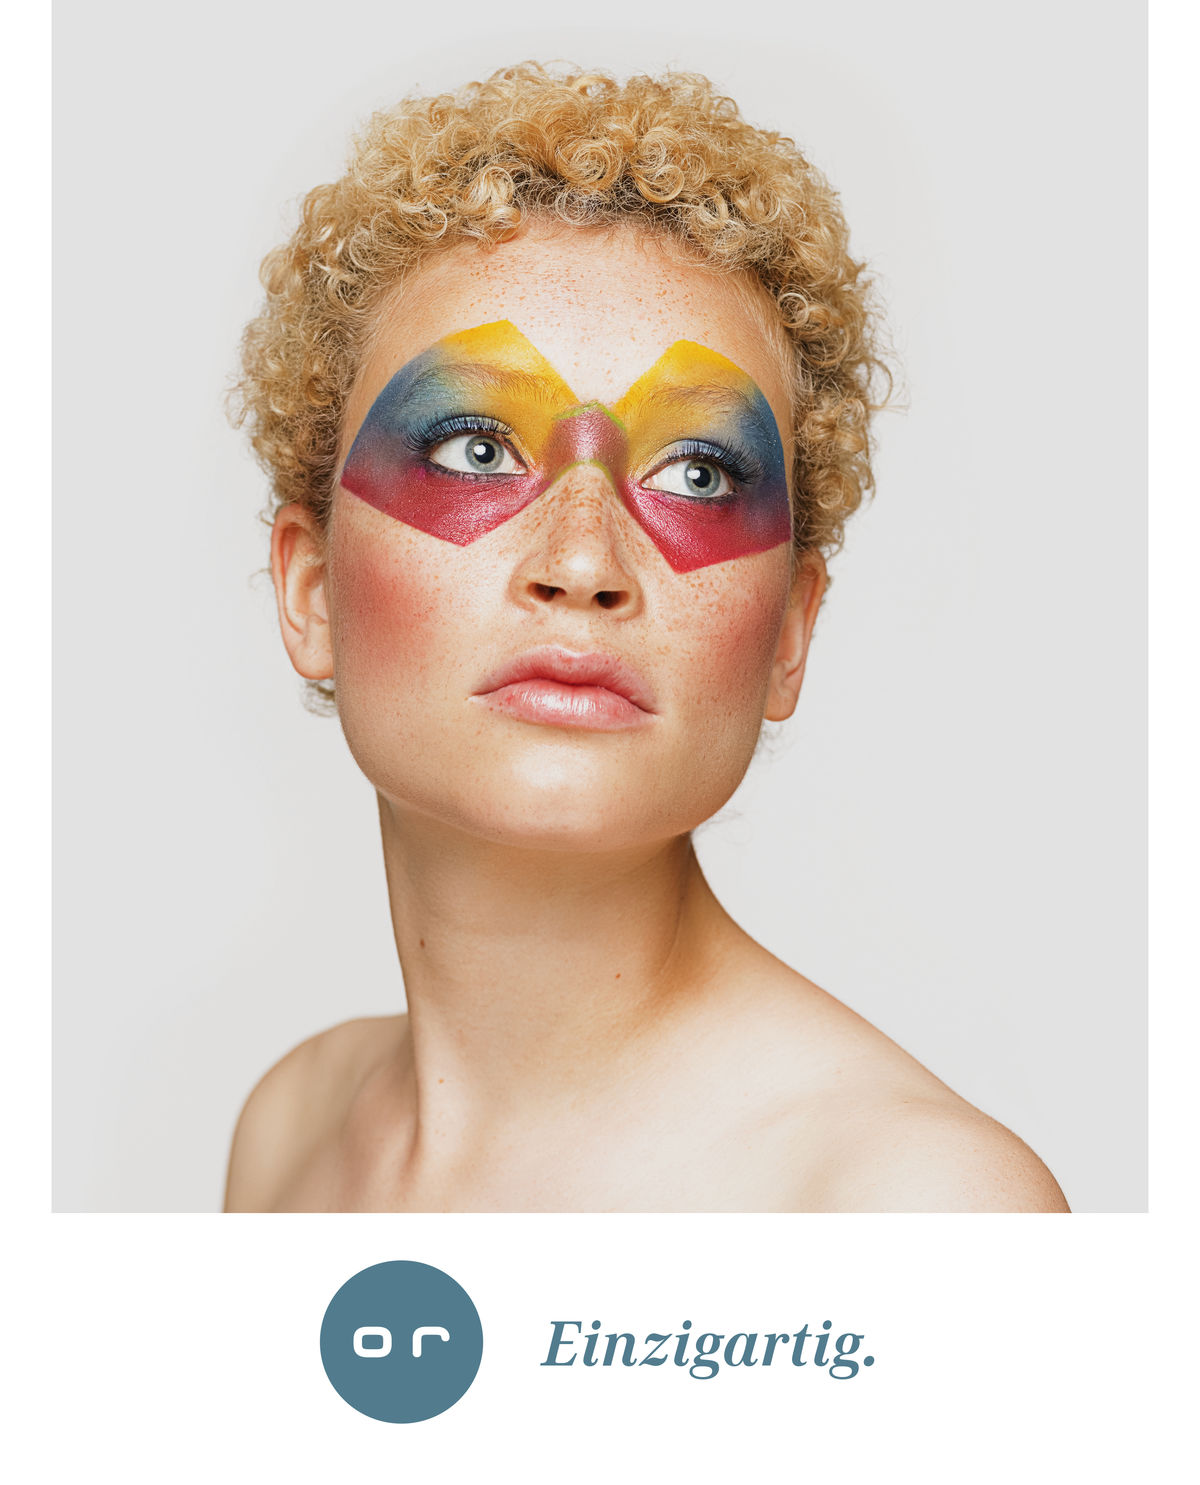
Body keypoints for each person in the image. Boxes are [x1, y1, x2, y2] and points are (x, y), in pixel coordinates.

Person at [224, 63, 1068, 1212]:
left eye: (698, 472)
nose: (583, 563)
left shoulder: (913, 1204)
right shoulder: (293, 1133)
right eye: (476, 448)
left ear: (790, 632)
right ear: (312, 590)